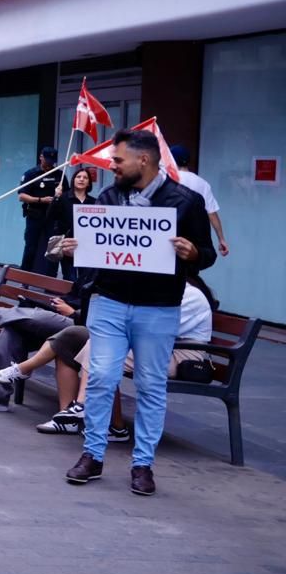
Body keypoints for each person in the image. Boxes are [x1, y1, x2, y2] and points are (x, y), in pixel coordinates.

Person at [59, 128, 216, 495]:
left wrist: (192, 254)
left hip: (158, 308)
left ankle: (142, 463)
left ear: (142, 160)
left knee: (150, 385)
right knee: (100, 377)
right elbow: (93, 245)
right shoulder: (110, 197)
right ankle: (93, 454)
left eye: (117, 160)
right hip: (109, 301)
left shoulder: (186, 202)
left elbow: (206, 255)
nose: (111, 166)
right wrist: (74, 247)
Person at [0, 277, 215, 436]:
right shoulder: (158, 289)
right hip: (148, 345)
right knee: (70, 340)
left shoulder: (187, 295)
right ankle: (68, 416)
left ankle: (92, 412)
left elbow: (150, 329)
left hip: (180, 355)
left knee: (101, 347)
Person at [0, 293, 78, 414]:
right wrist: (61, 302)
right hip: (66, 318)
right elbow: (76, 295)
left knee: (36, 317)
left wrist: (73, 312)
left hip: (82, 325)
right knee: (13, 328)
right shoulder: (91, 275)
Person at [171, 146, 229, 257]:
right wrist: (221, 239)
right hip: (193, 237)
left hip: (171, 232)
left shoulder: (167, 179)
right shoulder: (202, 183)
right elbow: (212, 214)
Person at [45, 166, 98, 281]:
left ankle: (82, 299)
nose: (81, 179)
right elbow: (50, 216)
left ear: (89, 183)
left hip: (86, 245)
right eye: (78, 177)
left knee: (86, 279)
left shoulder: (94, 202)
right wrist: (56, 197)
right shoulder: (63, 198)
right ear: (73, 180)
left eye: (85, 177)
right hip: (68, 244)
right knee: (70, 278)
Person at [17, 147, 59, 273]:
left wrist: (60, 194)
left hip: (53, 217)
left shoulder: (59, 174)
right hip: (35, 215)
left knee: (53, 248)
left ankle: (50, 279)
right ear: (41, 157)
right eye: (47, 160)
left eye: (52, 161)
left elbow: (67, 194)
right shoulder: (31, 174)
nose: (50, 163)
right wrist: (41, 200)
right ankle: (24, 278)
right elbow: (21, 196)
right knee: (31, 247)